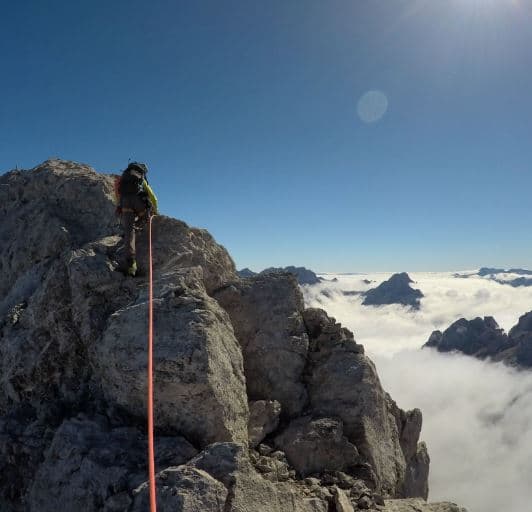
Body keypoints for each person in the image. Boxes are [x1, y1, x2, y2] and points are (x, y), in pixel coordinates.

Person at [115, 162, 158, 276]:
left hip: (125, 203)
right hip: (137, 202)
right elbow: (153, 197)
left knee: (129, 231)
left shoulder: (123, 178)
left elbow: (117, 191)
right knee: (145, 216)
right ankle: (140, 225)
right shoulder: (141, 179)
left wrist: (119, 205)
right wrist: (155, 212)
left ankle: (131, 265)